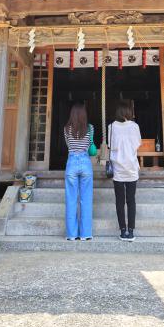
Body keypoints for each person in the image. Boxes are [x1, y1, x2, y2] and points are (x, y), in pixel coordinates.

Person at [108, 101, 142, 241]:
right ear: (128, 112)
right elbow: (138, 144)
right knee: (131, 200)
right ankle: (131, 231)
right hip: (132, 167)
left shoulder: (111, 126)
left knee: (120, 201)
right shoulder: (134, 126)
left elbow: (110, 146)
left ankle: (123, 230)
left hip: (117, 169)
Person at [63, 103, 94, 241]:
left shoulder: (66, 129)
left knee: (71, 200)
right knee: (86, 200)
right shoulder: (90, 128)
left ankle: (71, 234)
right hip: (85, 162)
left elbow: (68, 146)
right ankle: (85, 234)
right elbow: (89, 146)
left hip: (72, 162)